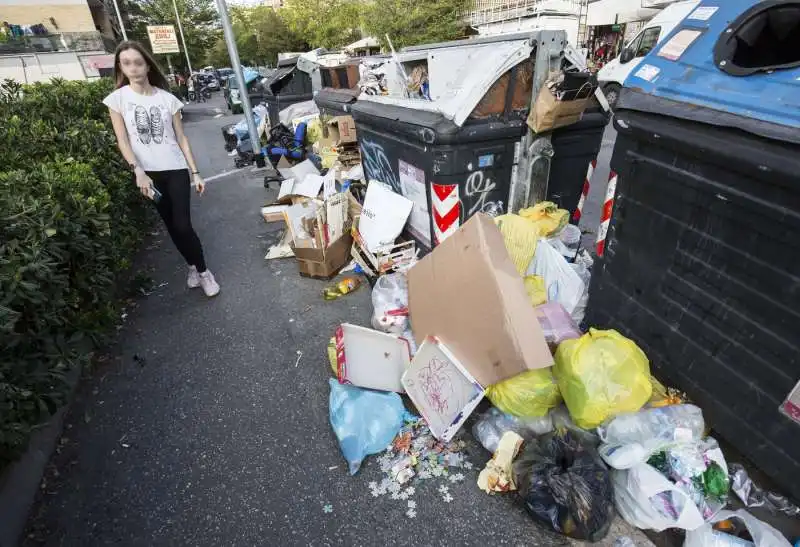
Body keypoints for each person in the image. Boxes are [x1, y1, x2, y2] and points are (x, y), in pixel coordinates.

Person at [103, 41, 220, 297]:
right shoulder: (117, 100)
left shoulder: (168, 99)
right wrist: (137, 170)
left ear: (147, 65)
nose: (133, 68)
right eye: (126, 63)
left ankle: (203, 272)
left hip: (175, 168)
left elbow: (181, 138)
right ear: (120, 68)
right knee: (170, 225)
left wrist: (195, 172)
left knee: (183, 225)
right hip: (148, 174)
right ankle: (191, 266)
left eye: (138, 62)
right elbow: (122, 140)